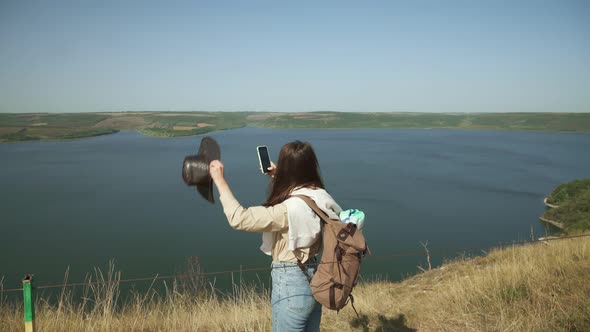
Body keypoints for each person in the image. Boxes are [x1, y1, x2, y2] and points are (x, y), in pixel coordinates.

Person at [209, 141, 343, 332]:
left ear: (288, 168)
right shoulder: (321, 195)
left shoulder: (286, 211)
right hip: (315, 279)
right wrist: (279, 174)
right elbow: (302, 192)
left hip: (291, 284)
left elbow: (240, 218)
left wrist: (219, 181)